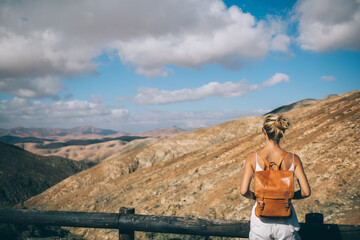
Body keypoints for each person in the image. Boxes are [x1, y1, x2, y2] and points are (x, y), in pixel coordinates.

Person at [240, 114, 311, 240]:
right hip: (286, 223)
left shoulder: (252, 158)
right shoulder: (294, 159)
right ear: (282, 132)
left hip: (260, 223)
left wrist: (257, 197)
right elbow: (306, 192)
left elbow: (244, 191)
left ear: (264, 131)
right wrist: (284, 196)